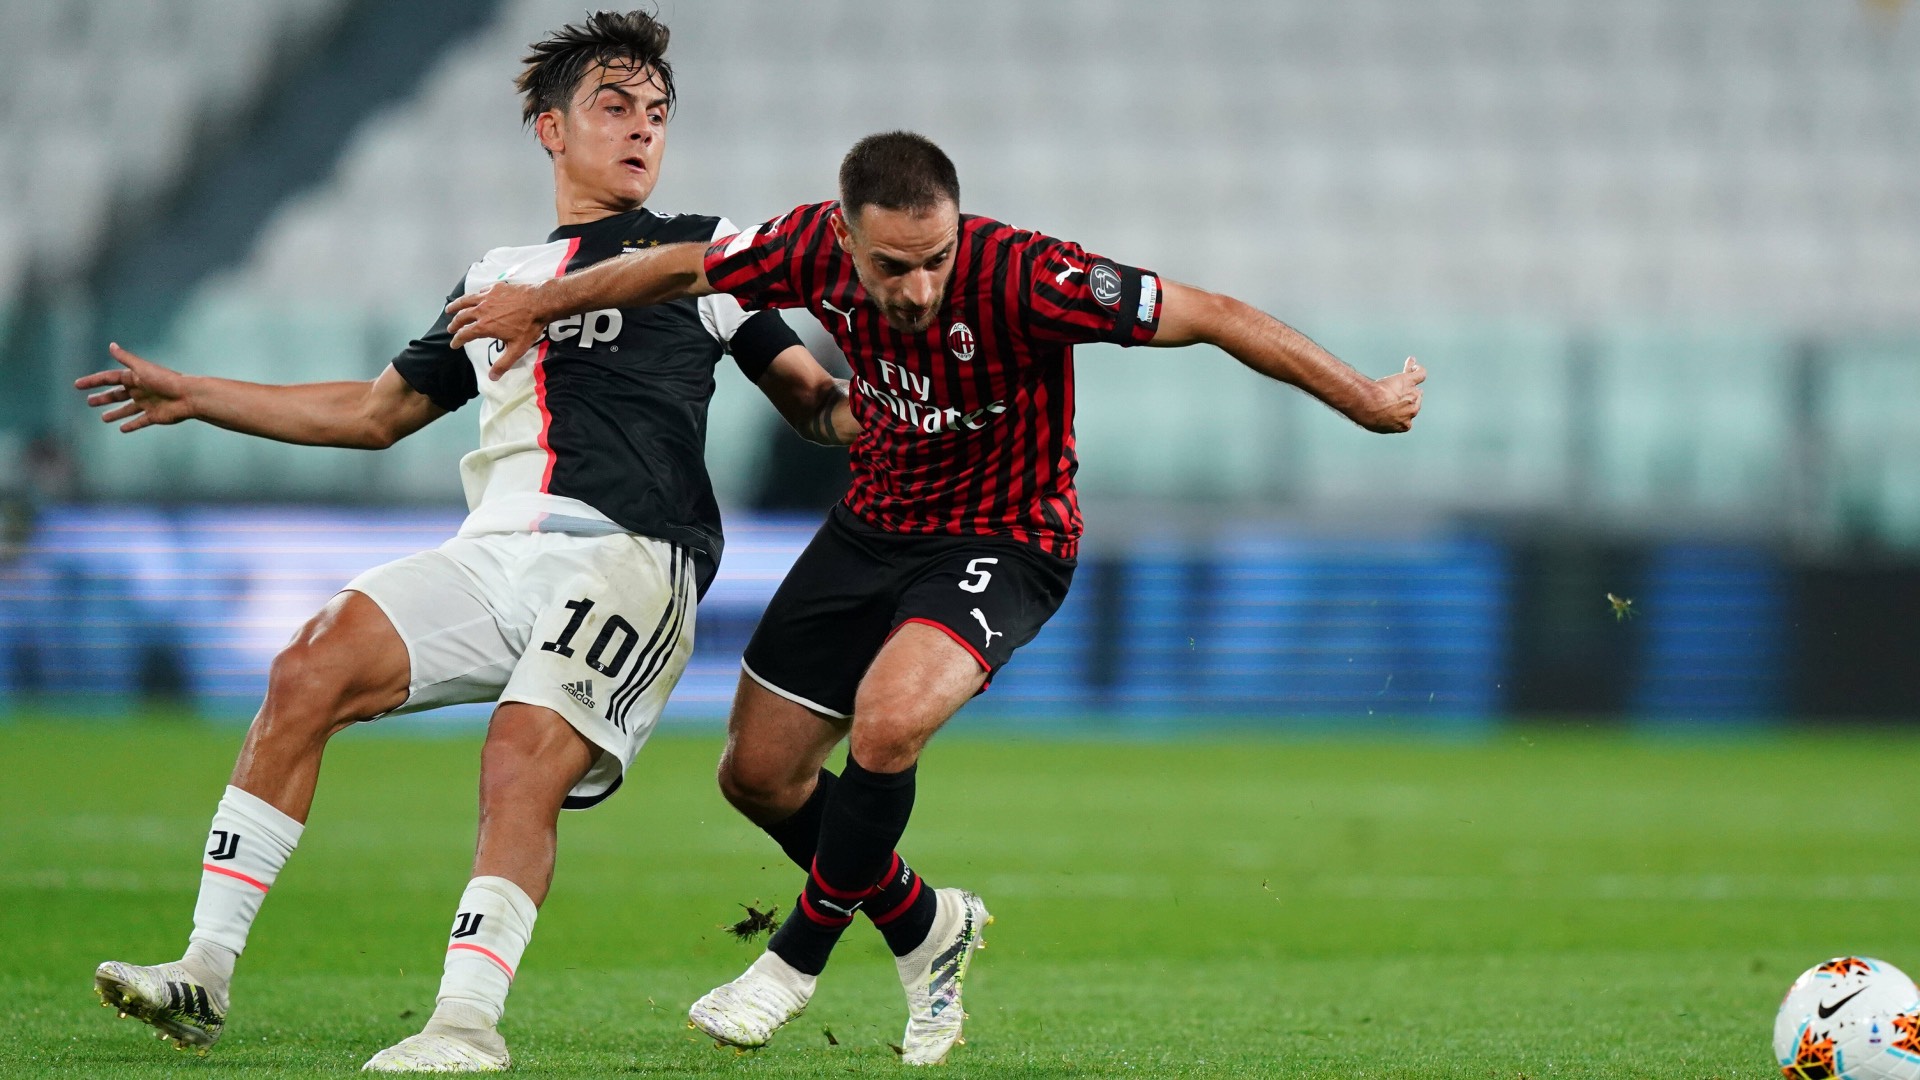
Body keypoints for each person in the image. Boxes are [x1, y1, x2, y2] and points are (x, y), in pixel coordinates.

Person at [445, 130, 1426, 1065]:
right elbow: (677, 267)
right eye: (893, 267)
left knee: (889, 720)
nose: (918, 288)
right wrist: (543, 301)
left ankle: (792, 964)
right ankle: (927, 924)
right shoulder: (803, 247)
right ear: (847, 238)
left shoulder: (1029, 275)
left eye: (935, 260)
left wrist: (1366, 399)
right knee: (758, 776)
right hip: (873, 526)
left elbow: (1211, 313)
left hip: (1007, 539)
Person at [74, 11, 856, 1073]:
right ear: (551, 128)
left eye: (658, 112)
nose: (643, 128)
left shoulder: (702, 257)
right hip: (494, 550)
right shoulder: (496, 273)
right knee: (307, 668)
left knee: (518, 754)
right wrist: (198, 395)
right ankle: (203, 971)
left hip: (632, 555)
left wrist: (889, 409)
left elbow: (813, 403)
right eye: (615, 106)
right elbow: (373, 413)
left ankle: (464, 1024)